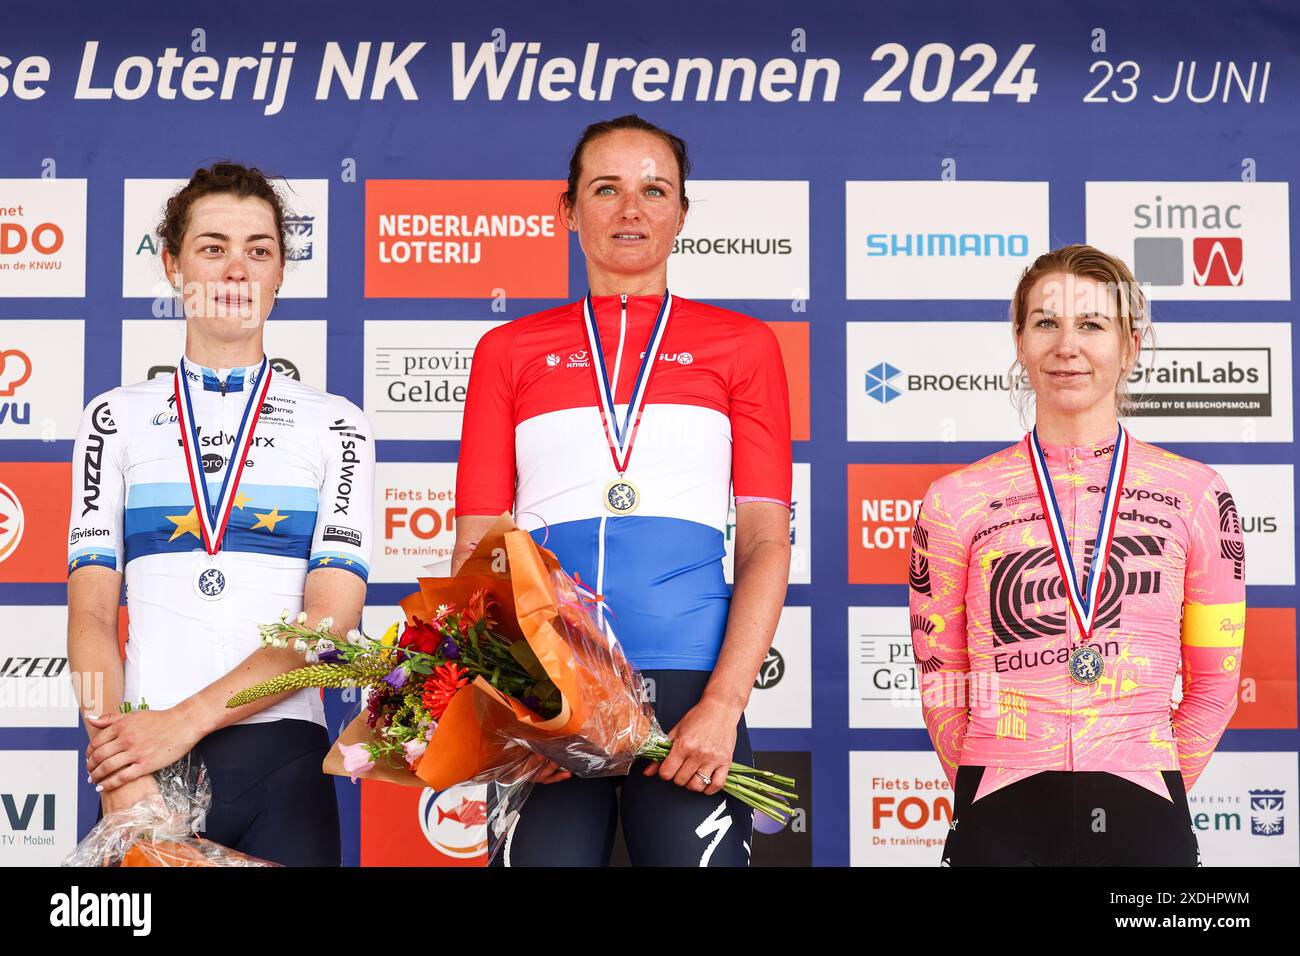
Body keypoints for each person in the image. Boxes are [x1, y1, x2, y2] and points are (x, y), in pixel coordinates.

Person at [454, 115, 793, 866]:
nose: (630, 210)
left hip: (690, 696)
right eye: (606, 189)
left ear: (681, 213)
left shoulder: (745, 347)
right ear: (568, 210)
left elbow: (767, 544)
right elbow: (480, 546)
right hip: (548, 688)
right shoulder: (506, 351)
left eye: (653, 190)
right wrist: (517, 705)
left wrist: (724, 705)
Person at [67, 163, 375, 866]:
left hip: (283, 763)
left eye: (258, 250)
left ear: (280, 274)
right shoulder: (112, 419)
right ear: (172, 264)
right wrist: (118, 759)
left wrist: (185, 723)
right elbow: (88, 616)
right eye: (212, 247)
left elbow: (328, 625)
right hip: (140, 760)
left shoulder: (339, 427)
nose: (236, 268)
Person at [908, 244, 1245, 866]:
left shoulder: (1197, 494)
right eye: (1046, 323)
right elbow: (941, 679)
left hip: (1144, 804)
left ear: (1131, 345)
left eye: (1091, 324)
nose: (1068, 346)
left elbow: (1216, 683)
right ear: (1019, 340)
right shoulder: (955, 500)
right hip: (999, 809)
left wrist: (1146, 778)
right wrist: (994, 775)